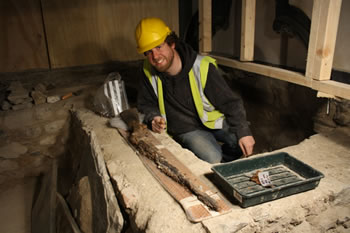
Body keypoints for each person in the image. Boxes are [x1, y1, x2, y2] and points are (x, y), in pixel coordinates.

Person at [134, 17, 255, 163]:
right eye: (148, 52)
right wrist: (153, 117)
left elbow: (229, 102)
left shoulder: (201, 67)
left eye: (159, 47)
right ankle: (211, 162)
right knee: (213, 157)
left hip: (208, 120)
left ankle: (221, 163)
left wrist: (244, 132)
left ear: (171, 43)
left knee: (239, 139)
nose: (155, 56)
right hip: (184, 128)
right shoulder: (148, 71)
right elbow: (145, 103)